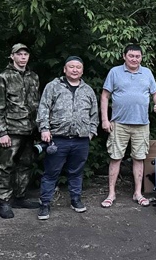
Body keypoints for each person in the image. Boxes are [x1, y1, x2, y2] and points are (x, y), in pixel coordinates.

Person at [36, 56, 99, 220]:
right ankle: (45, 204)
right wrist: (44, 129)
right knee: (51, 173)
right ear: (65, 69)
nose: (75, 70)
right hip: (58, 138)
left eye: (78, 67)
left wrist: (91, 132)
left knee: (76, 172)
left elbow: (94, 114)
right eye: (71, 67)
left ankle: (76, 199)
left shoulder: (88, 90)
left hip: (81, 139)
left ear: (82, 70)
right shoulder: (53, 86)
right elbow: (43, 108)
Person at [100, 44, 156, 208]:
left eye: (137, 56)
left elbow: (155, 93)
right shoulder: (115, 72)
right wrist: (105, 120)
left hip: (142, 124)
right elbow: (105, 96)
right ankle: (111, 194)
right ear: (124, 56)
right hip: (118, 123)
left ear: (141, 57)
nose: (134, 59)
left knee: (139, 158)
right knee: (115, 158)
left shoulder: (147, 72)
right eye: (131, 56)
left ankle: (138, 193)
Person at [0, 43, 41, 219]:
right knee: (6, 166)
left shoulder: (33, 77)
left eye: (25, 54)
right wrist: (2, 132)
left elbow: (37, 102)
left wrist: (39, 127)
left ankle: (20, 196)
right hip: (11, 129)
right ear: (12, 56)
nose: (23, 57)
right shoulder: (3, 77)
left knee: (26, 164)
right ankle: (4, 200)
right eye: (19, 54)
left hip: (29, 129)